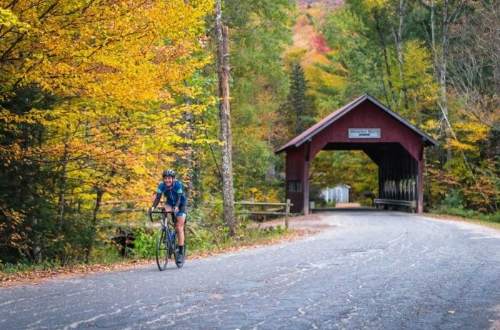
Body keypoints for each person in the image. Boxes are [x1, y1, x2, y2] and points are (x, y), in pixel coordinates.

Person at [150, 169, 187, 265]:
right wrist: (153, 207)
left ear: (173, 179)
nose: (167, 180)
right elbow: (158, 198)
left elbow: (179, 198)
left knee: (179, 227)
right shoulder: (161, 185)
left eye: (169, 178)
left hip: (181, 204)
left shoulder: (178, 185)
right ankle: (166, 232)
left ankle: (180, 252)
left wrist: (177, 207)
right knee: (164, 211)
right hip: (170, 203)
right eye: (165, 178)